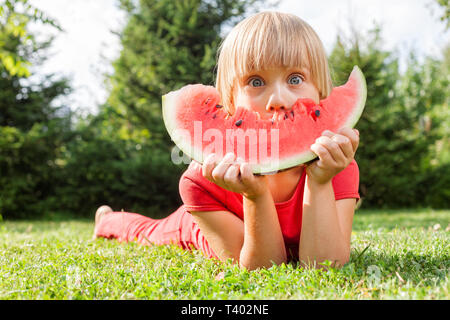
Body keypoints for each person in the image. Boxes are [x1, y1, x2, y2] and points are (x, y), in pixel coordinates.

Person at [93, 11, 360, 270]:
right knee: (148, 232)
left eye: (295, 78)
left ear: (321, 91)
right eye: (256, 81)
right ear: (228, 102)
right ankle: (108, 220)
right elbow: (265, 267)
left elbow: (326, 265)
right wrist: (253, 195)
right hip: (195, 224)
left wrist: (320, 181)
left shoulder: (338, 166)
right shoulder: (201, 181)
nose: (278, 99)